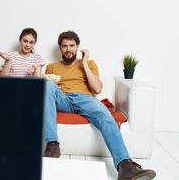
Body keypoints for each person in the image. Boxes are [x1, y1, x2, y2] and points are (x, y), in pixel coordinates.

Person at [44, 30, 156, 180]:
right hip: (63, 99)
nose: (68, 49)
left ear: (77, 47)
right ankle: (52, 144)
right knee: (46, 85)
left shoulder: (89, 64)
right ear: (60, 48)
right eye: (65, 46)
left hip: (85, 99)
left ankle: (125, 166)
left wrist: (84, 63)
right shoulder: (52, 66)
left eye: (72, 45)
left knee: (105, 116)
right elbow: (49, 91)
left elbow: (97, 89)